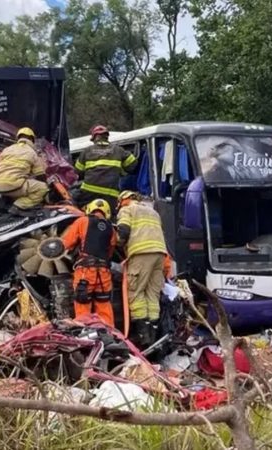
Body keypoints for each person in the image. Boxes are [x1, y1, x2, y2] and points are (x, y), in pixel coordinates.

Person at [116, 190, 172, 349]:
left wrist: (117, 243)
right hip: (160, 254)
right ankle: (154, 335)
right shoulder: (153, 212)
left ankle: (143, 336)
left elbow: (123, 232)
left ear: (124, 199)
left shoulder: (127, 209)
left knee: (136, 292)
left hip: (141, 254)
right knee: (152, 294)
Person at [61, 198, 116, 328]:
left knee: (82, 305)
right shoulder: (111, 229)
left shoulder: (82, 221)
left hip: (85, 273)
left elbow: (67, 243)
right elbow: (110, 251)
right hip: (104, 274)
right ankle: (109, 337)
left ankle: (85, 335)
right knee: (104, 307)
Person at [74, 125, 138, 212]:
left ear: (94, 138)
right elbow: (132, 164)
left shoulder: (87, 151)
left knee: (83, 212)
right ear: (107, 137)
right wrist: (121, 171)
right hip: (110, 196)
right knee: (109, 218)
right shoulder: (118, 150)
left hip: (89, 194)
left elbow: (77, 172)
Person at [0, 127, 49, 214]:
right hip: (14, 185)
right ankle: (18, 206)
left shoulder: (6, 150)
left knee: (8, 179)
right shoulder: (32, 152)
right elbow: (40, 175)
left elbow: (3, 168)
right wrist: (47, 186)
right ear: (31, 139)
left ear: (18, 138)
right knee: (42, 188)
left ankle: (0, 202)